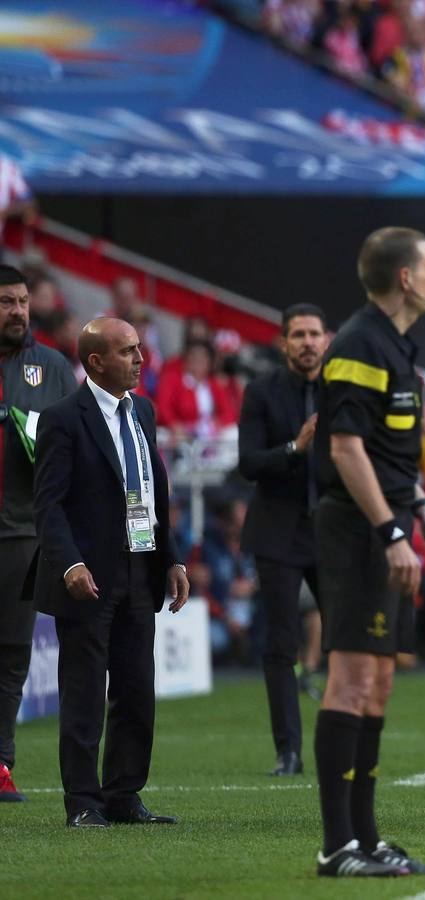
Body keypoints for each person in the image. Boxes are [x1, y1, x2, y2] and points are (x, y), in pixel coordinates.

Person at [311, 228, 425, 877]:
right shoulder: (358, 345)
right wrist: (391, 532)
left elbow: (386, 454)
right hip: (356, 533)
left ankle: (366, 840)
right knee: (350, 680)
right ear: (404, 278)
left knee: (379, 684)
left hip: (387, 524)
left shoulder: (395, 345)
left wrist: (421, 510)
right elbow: (345, 451)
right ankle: (336, 845)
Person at [31, 317, 190, 828]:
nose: (141, 359)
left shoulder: (142, 410)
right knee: (82, 693)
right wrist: (69, 562)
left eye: (140, 349)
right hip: (88, 577)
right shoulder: (62, 418)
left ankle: (123, 795)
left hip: (140, 569)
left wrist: (172, 559)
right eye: (128, 351)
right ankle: (83, 802)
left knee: (137, 689)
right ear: (95, 362)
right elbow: (49, 504)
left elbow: (153, 488)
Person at [237, 303, 329, 777]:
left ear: (326, 339)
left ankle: (341, 744)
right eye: (298, 335)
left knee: (346, 637)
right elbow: (248, 463)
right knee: (281, 644)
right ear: (283, 342)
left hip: (332, 529)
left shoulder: (343, 388)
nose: (307, 342)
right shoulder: (261, 392)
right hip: (277, 530)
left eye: (314, 334)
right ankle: (288, 752)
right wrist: (295, 448)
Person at [0, 264, 77, 802]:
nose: (18, 311)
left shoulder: (50, 367)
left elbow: (71, 447)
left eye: (23, 301)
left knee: (10, 655)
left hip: (20, 531)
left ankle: (0, 766)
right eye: (6, 302)